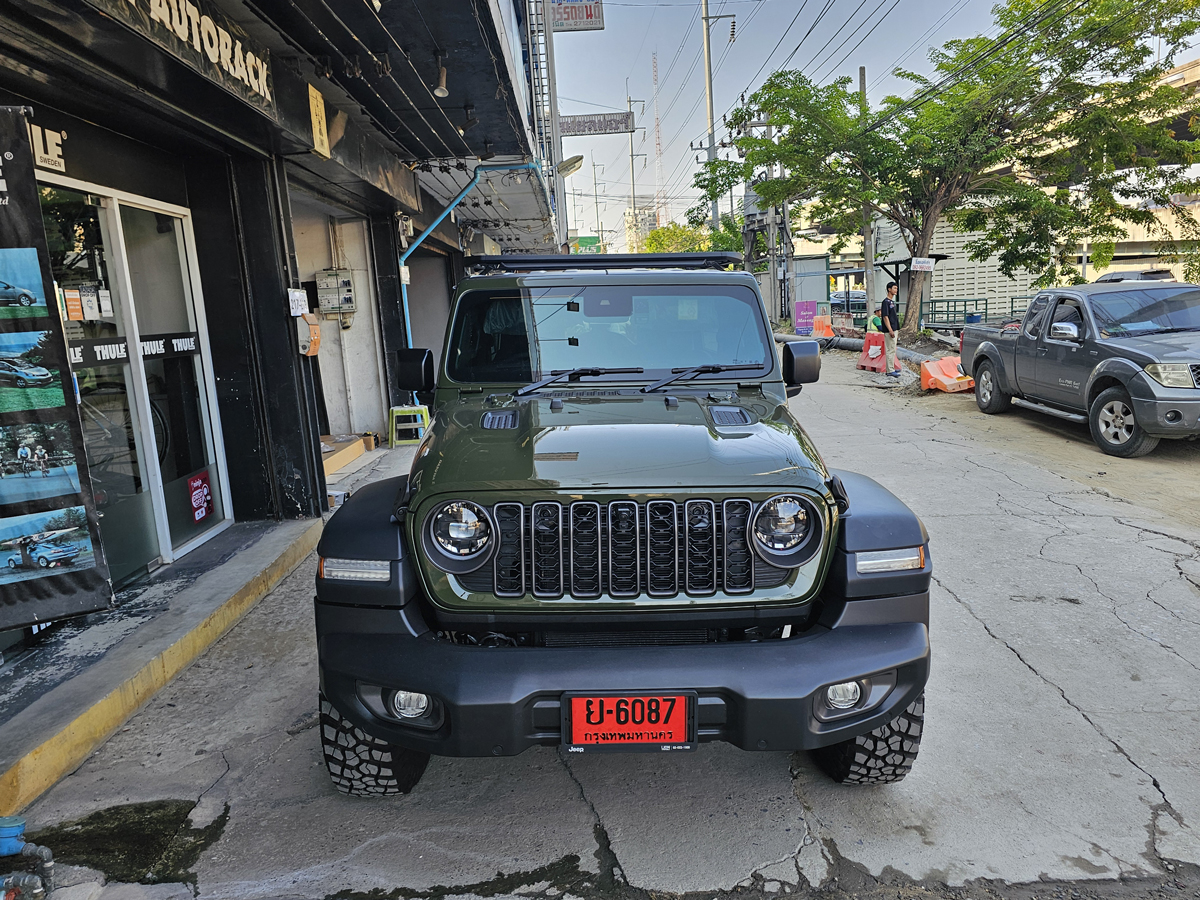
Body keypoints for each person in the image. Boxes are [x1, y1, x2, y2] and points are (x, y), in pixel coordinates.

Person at [880, 281, 902, 377]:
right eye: (894, 288)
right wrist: (890, 329)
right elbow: (885, 316)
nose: (896, 290)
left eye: (896, 288)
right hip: (890, 329)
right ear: (889, 289)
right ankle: (889, 370)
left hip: (894, 328)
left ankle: (892, 367)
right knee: (890, 349)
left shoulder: (891, 302)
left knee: (893, 349)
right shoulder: (885, 302)